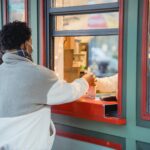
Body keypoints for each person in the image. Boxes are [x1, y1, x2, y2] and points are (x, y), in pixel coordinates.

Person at [0, 21, 95, 150]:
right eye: (31, 42)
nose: (32, 47)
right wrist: (85, 80)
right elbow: (70, 92)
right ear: (25, 44)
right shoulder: (38, 75)